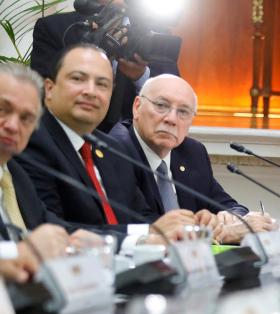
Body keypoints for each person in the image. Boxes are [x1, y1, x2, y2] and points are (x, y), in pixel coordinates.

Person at [18, 44, 195, 242]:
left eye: (102, 84)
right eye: (78, 79)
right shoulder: (30, 140)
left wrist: (184, 226)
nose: (90, 91)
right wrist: (142, 236)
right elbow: (51, 230)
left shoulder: (112, 149)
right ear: (49, 89)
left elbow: (141, 216)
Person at [108, 74, 275, 242]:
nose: (171, 119)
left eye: (183, 112)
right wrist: (225, 233)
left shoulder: (192, 152)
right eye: (161, 105)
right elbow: (142, 225)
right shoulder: (115, 150)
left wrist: (233, 218)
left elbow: (228, 204)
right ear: (137, 107)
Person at [0, 63, 104, 282]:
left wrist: (135, 239)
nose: (12, 125)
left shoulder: (15, 175)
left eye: (26, 118)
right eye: (3, 109)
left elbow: (58, 229)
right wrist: (17, 252)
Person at [30, 0, 180, 132]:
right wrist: (96, 50)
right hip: (73, 136)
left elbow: (175, 97)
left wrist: (141, 76)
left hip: (135, 145)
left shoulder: (157, 34)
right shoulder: (55, 27)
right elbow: (42, 91)